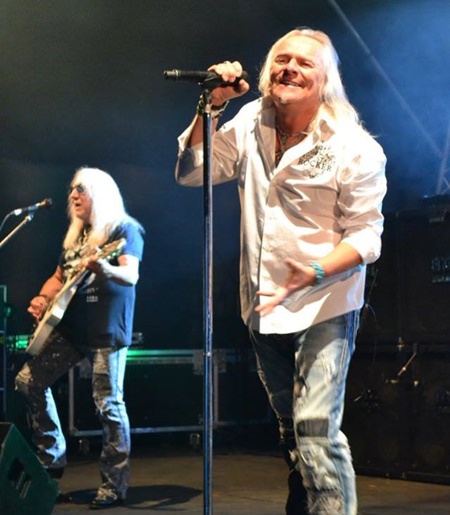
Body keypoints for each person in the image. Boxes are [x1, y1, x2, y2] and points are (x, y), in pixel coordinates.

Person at [174, 28, 387, 515]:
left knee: (316, 429)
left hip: (325, 301)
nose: (289, 68)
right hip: (263, 301)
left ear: (325, 80)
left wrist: (314, 270)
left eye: (304, 62)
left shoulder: (353, 147)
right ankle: (305, 501)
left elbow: (367, 236)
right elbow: (193, 171)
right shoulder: (251, 119)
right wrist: (211, 107)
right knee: (293, 429)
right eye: (282, 59)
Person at [15, 167, 144, 509]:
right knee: (28, 381)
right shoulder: (77, 238)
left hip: (106, 330)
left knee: (108, 404)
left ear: (100, 194)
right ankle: (51, 460)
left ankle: (114, 485)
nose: (73, 195)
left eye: (81, 189)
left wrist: (105, 269)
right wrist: (42, 299)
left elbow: (131, 274)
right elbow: (58, 278)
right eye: (72, 189)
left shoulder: (124, 230)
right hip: (72, 329)